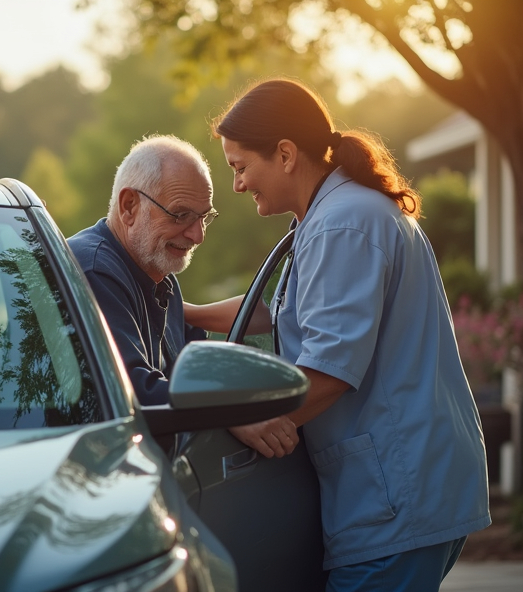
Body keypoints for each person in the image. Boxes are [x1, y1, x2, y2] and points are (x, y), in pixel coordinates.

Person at [186, 78, 490, 591]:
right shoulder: (333, 215)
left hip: (395, 492)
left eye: (240, 167)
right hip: (400, 488)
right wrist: (187, 313)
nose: (236, 185)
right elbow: (280, 314)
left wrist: (252, 420)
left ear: (285, 154)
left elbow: (330, 368)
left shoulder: (343, 224)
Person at [67, 134, 217, 406]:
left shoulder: (158, 273)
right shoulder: (93, 271)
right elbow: (136, 394)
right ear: (129, 206)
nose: (198, 236)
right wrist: (234, 413)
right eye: (181, 215)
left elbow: (197, 365)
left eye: (204, 217)